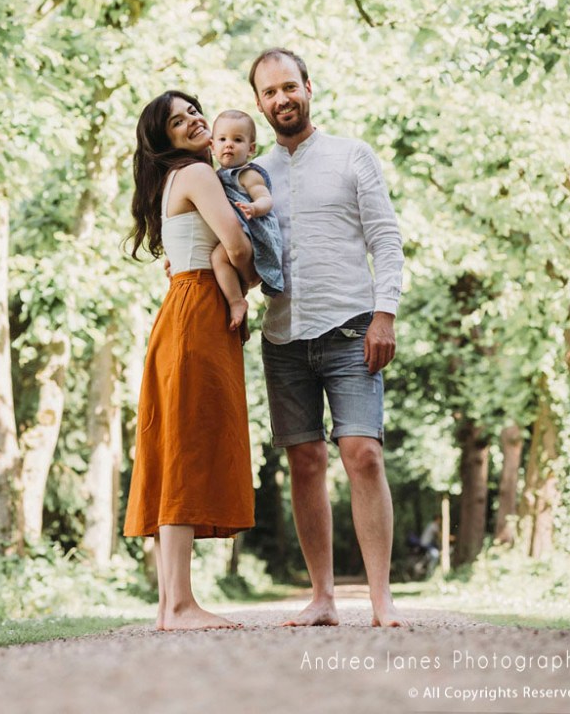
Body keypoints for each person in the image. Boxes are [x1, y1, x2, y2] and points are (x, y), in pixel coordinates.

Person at [249, 47, 406, 628]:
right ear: (259, 103)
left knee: (362, 455)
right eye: (269, 92)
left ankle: (381, 599)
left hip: (351, 329)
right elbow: (241, 251)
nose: (281, 99)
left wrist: (384, 313)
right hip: (283, 336)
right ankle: (322, 599)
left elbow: (385, 239)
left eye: (289, 87)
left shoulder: (351, 156)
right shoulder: (253, 171)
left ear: (308, 88)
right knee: (306, 463)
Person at [123, 90, 256, 631]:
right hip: (199, 309)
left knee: (176, 444)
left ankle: (171, 604)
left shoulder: (177, 180)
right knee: (185, 446)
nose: (193, 121)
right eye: (178, 122)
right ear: (166, 140)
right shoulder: (198, 176)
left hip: (181, 306)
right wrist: (243, 285)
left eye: (193, 110)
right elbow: (239, 247)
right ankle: (179, 606)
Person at [210, 109, 284, 335]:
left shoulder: (248, 174)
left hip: (256, 231)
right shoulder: (213, 175)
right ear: (212, 146)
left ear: (251, 149)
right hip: (240, 232)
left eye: (237, 140)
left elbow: (265, 199)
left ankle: (237, 302)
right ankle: (237, 311)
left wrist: (254, 207)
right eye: (222, 139)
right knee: (222, 262)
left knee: (219, 257)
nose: (229, 145)